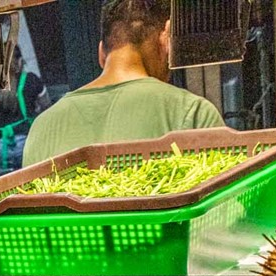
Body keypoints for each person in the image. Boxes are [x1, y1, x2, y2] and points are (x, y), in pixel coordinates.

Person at [23, 0, 224, 166]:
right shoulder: (193, 113)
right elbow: (229, 211)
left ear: (101, 53)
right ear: (166, 41)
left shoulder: (41, 128)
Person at [0, 46, 48, 168]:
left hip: (0, 149)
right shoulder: (30, 79)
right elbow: (47, 109)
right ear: (20, 61)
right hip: (27, 144)